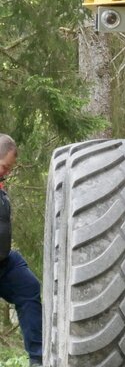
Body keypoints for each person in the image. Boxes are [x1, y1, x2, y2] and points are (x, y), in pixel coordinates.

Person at [0, 135, 43, 367]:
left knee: (28, 287)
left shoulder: (0, 185)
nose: (6, 172)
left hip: (4, 262)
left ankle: (38, 358)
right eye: (4, 166)